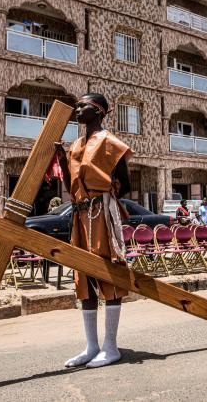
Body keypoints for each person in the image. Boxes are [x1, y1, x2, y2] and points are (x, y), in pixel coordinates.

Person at [54, 93, 132, 369]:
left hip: (101, 212)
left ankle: (111, 347)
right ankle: (91, 346)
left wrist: (106, 198)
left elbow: (125, 182)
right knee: (83, 277)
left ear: (98, 111)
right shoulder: (76, 144)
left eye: (83, 106)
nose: (77, 110)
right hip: (79, 213)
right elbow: (70, 183)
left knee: (108, 272)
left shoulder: (110, 142)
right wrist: (63, 161)